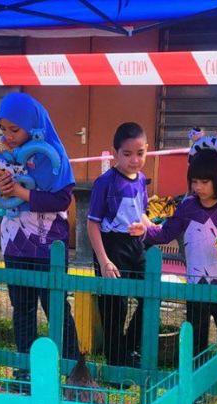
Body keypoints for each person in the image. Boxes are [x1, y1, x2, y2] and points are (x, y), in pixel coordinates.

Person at [129, 137, 217, 361]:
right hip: (196, 284)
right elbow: (167, 233)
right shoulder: (187, 206)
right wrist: (144, 232)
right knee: (197, 340)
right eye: (194, 181)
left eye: (204, 182)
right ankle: (197, 385)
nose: (198, 187)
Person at [0, 92, 81, 378]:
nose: (9, 135)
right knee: (22, 307)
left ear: (34, 124)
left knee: (55, 306)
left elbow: (60, 200)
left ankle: (71, 370)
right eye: (4, 129)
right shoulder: (3, 155)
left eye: (15, 129)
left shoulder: (54, 157)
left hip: (47, 244)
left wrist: (21, 193)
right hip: (15, 244)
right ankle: (25, 371)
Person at [86, 121, 151, 368]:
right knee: (115, 306)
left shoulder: (142, 179)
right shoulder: (105, 182)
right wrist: (104, 261)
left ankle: (128, 348)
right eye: (127, 154)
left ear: (147, 149)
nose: (134, 160)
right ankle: (114, 361)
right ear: (115, 152)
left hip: (135, 244)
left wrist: (149, 228)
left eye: (140, 153)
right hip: (110, 246)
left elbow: (141, 213)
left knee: (150, 296)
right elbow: (92, 224)